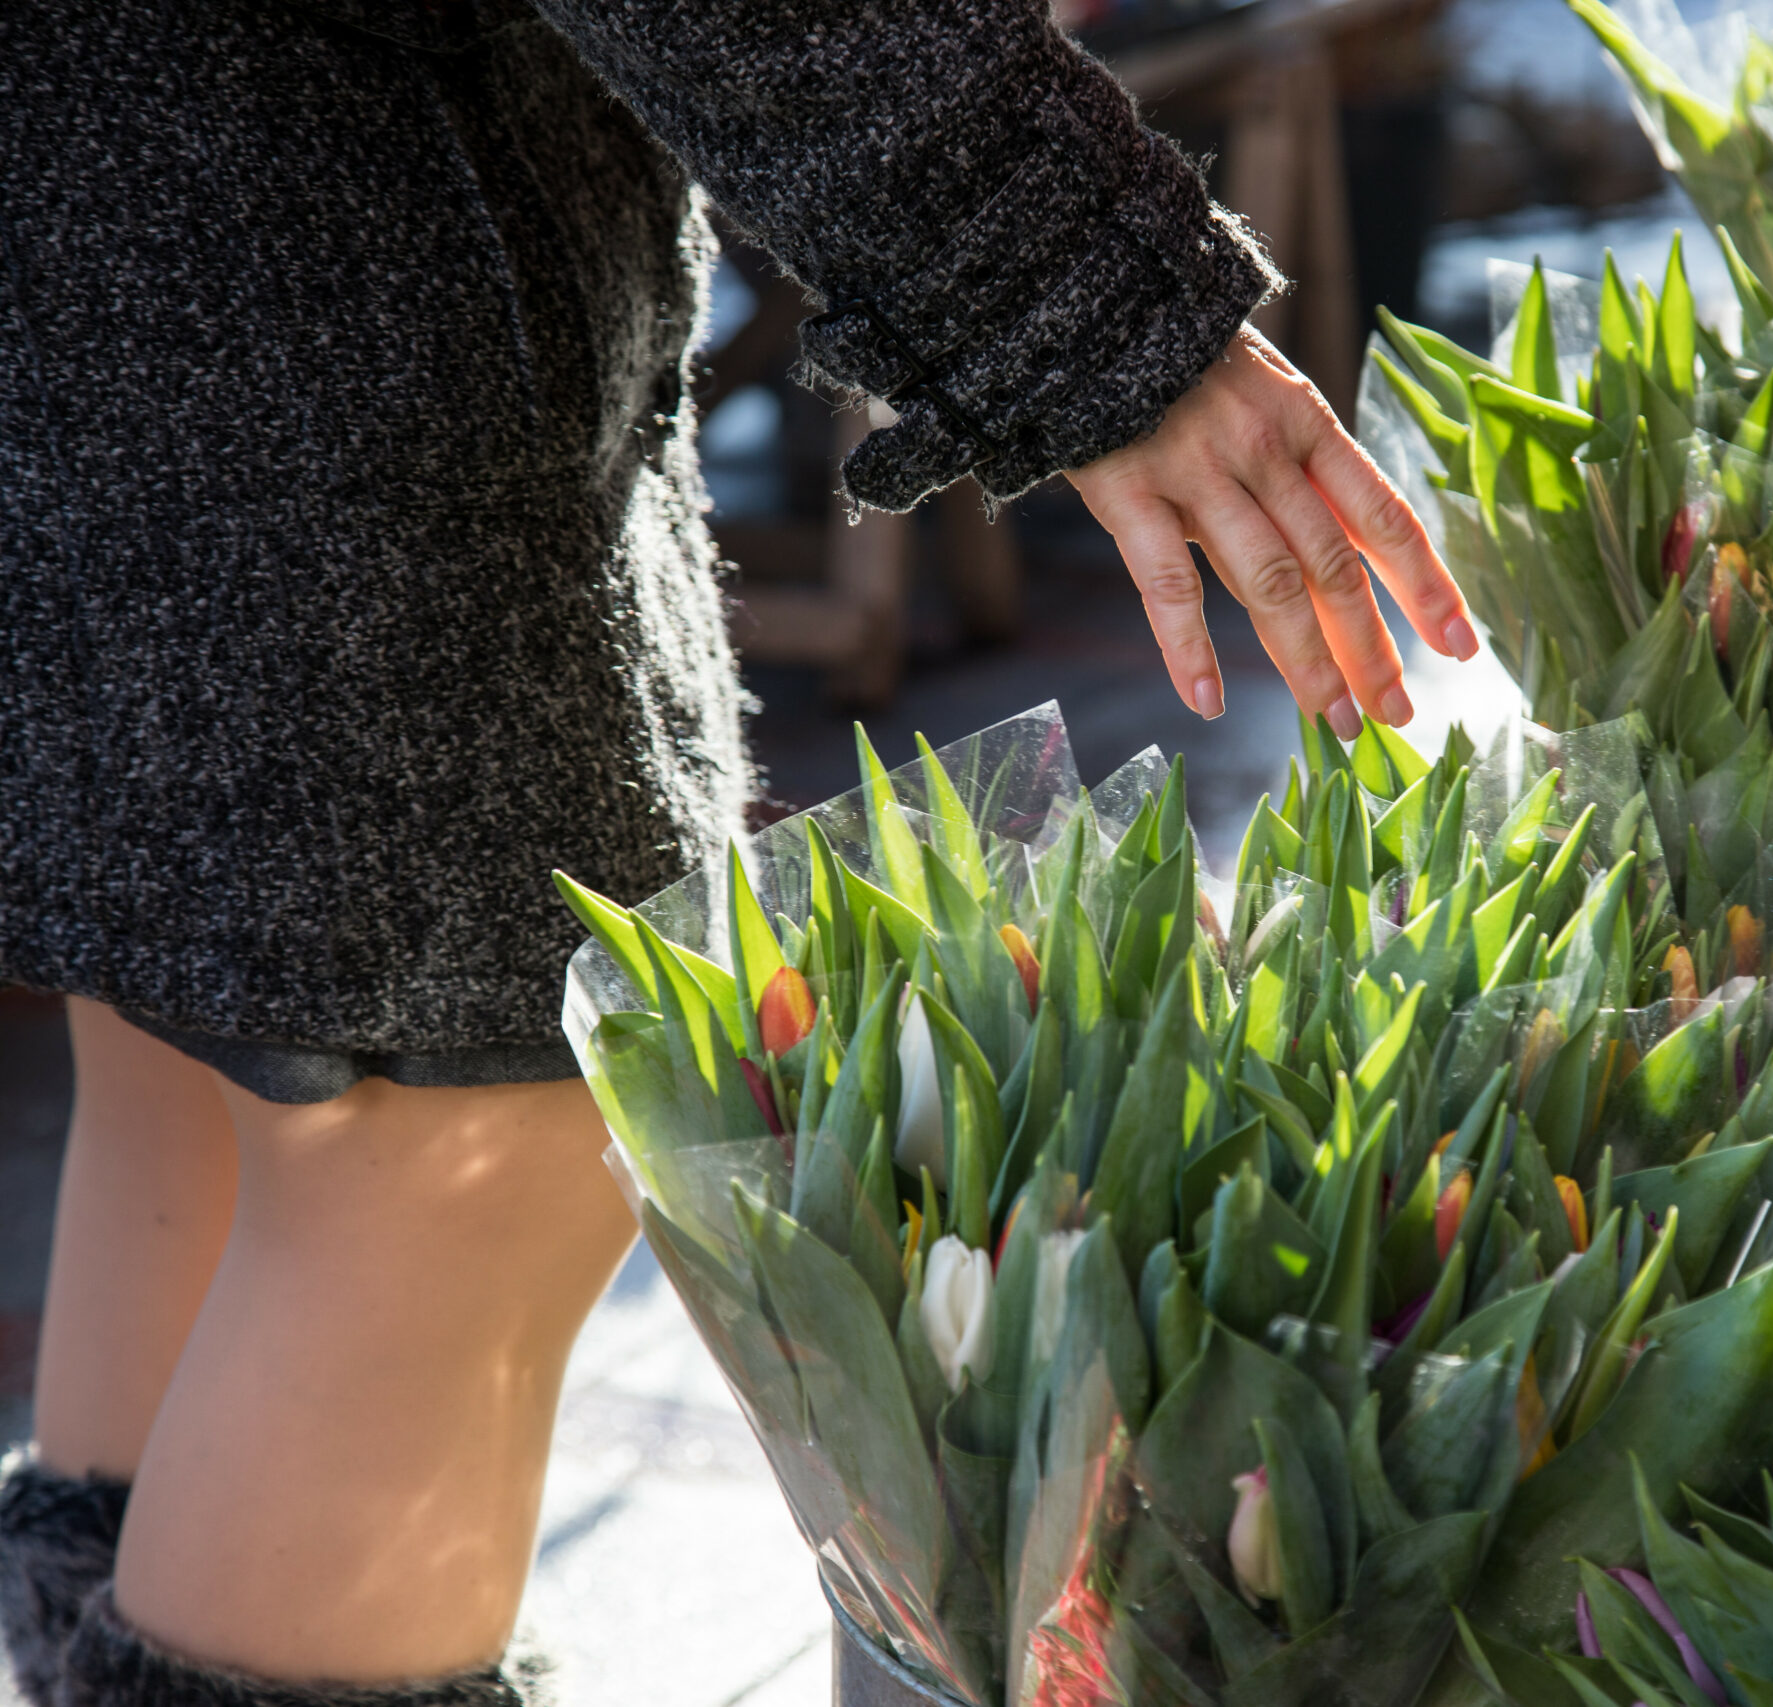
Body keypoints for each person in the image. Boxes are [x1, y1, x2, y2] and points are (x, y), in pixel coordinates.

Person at [0, 2, 1471, 1703]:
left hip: (128, 193)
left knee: (209, 1030)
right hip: (302, 241)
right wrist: (1085, 294)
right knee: (446, 1130)